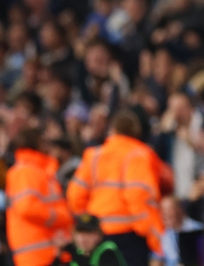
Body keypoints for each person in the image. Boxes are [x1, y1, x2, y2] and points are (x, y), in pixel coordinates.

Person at [67, 109, 165, 266]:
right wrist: (154, 239)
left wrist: (87, 224)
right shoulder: (139, 155)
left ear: (112, 130)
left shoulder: (94, 155)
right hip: (128, 236)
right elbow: (138, 197)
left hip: (97, 235)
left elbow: (75, 195)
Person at [6, 127, 73, 266]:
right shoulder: (25, 171)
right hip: (38, 253)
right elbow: (26, 207)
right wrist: (59, 217)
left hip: (50, 250)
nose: (47, 145)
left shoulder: (38, 170)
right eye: (44, 141)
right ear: (36, 143)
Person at [52, 214, 126, 266]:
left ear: (99, 236)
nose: (83, 237)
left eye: (89, 233)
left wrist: (71, 250)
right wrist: (58, 254)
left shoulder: (107, 250)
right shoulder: (79, 253)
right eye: (80, 233)